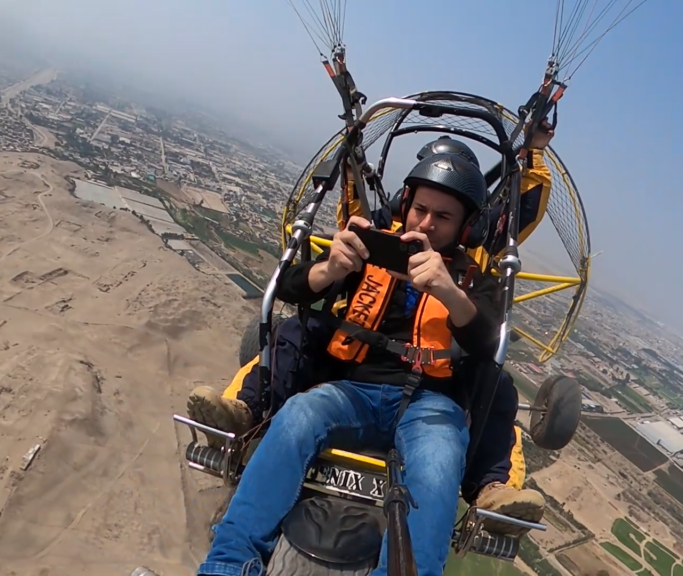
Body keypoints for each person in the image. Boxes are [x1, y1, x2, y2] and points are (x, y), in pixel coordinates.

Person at [189, 132, 556, 536]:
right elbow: (291, 289)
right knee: (295, 330)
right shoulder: (372, 247)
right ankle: (246, 413)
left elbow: (490, 343)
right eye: (420, 209)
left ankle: (490, 489)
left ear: (466, 228)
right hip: (352, 384)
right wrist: (331, 268)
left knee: (498, 386)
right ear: (404, 205)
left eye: (444, 217)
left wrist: (448, 290)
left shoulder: (473, 276)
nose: (427, 224)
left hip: (430, 404)